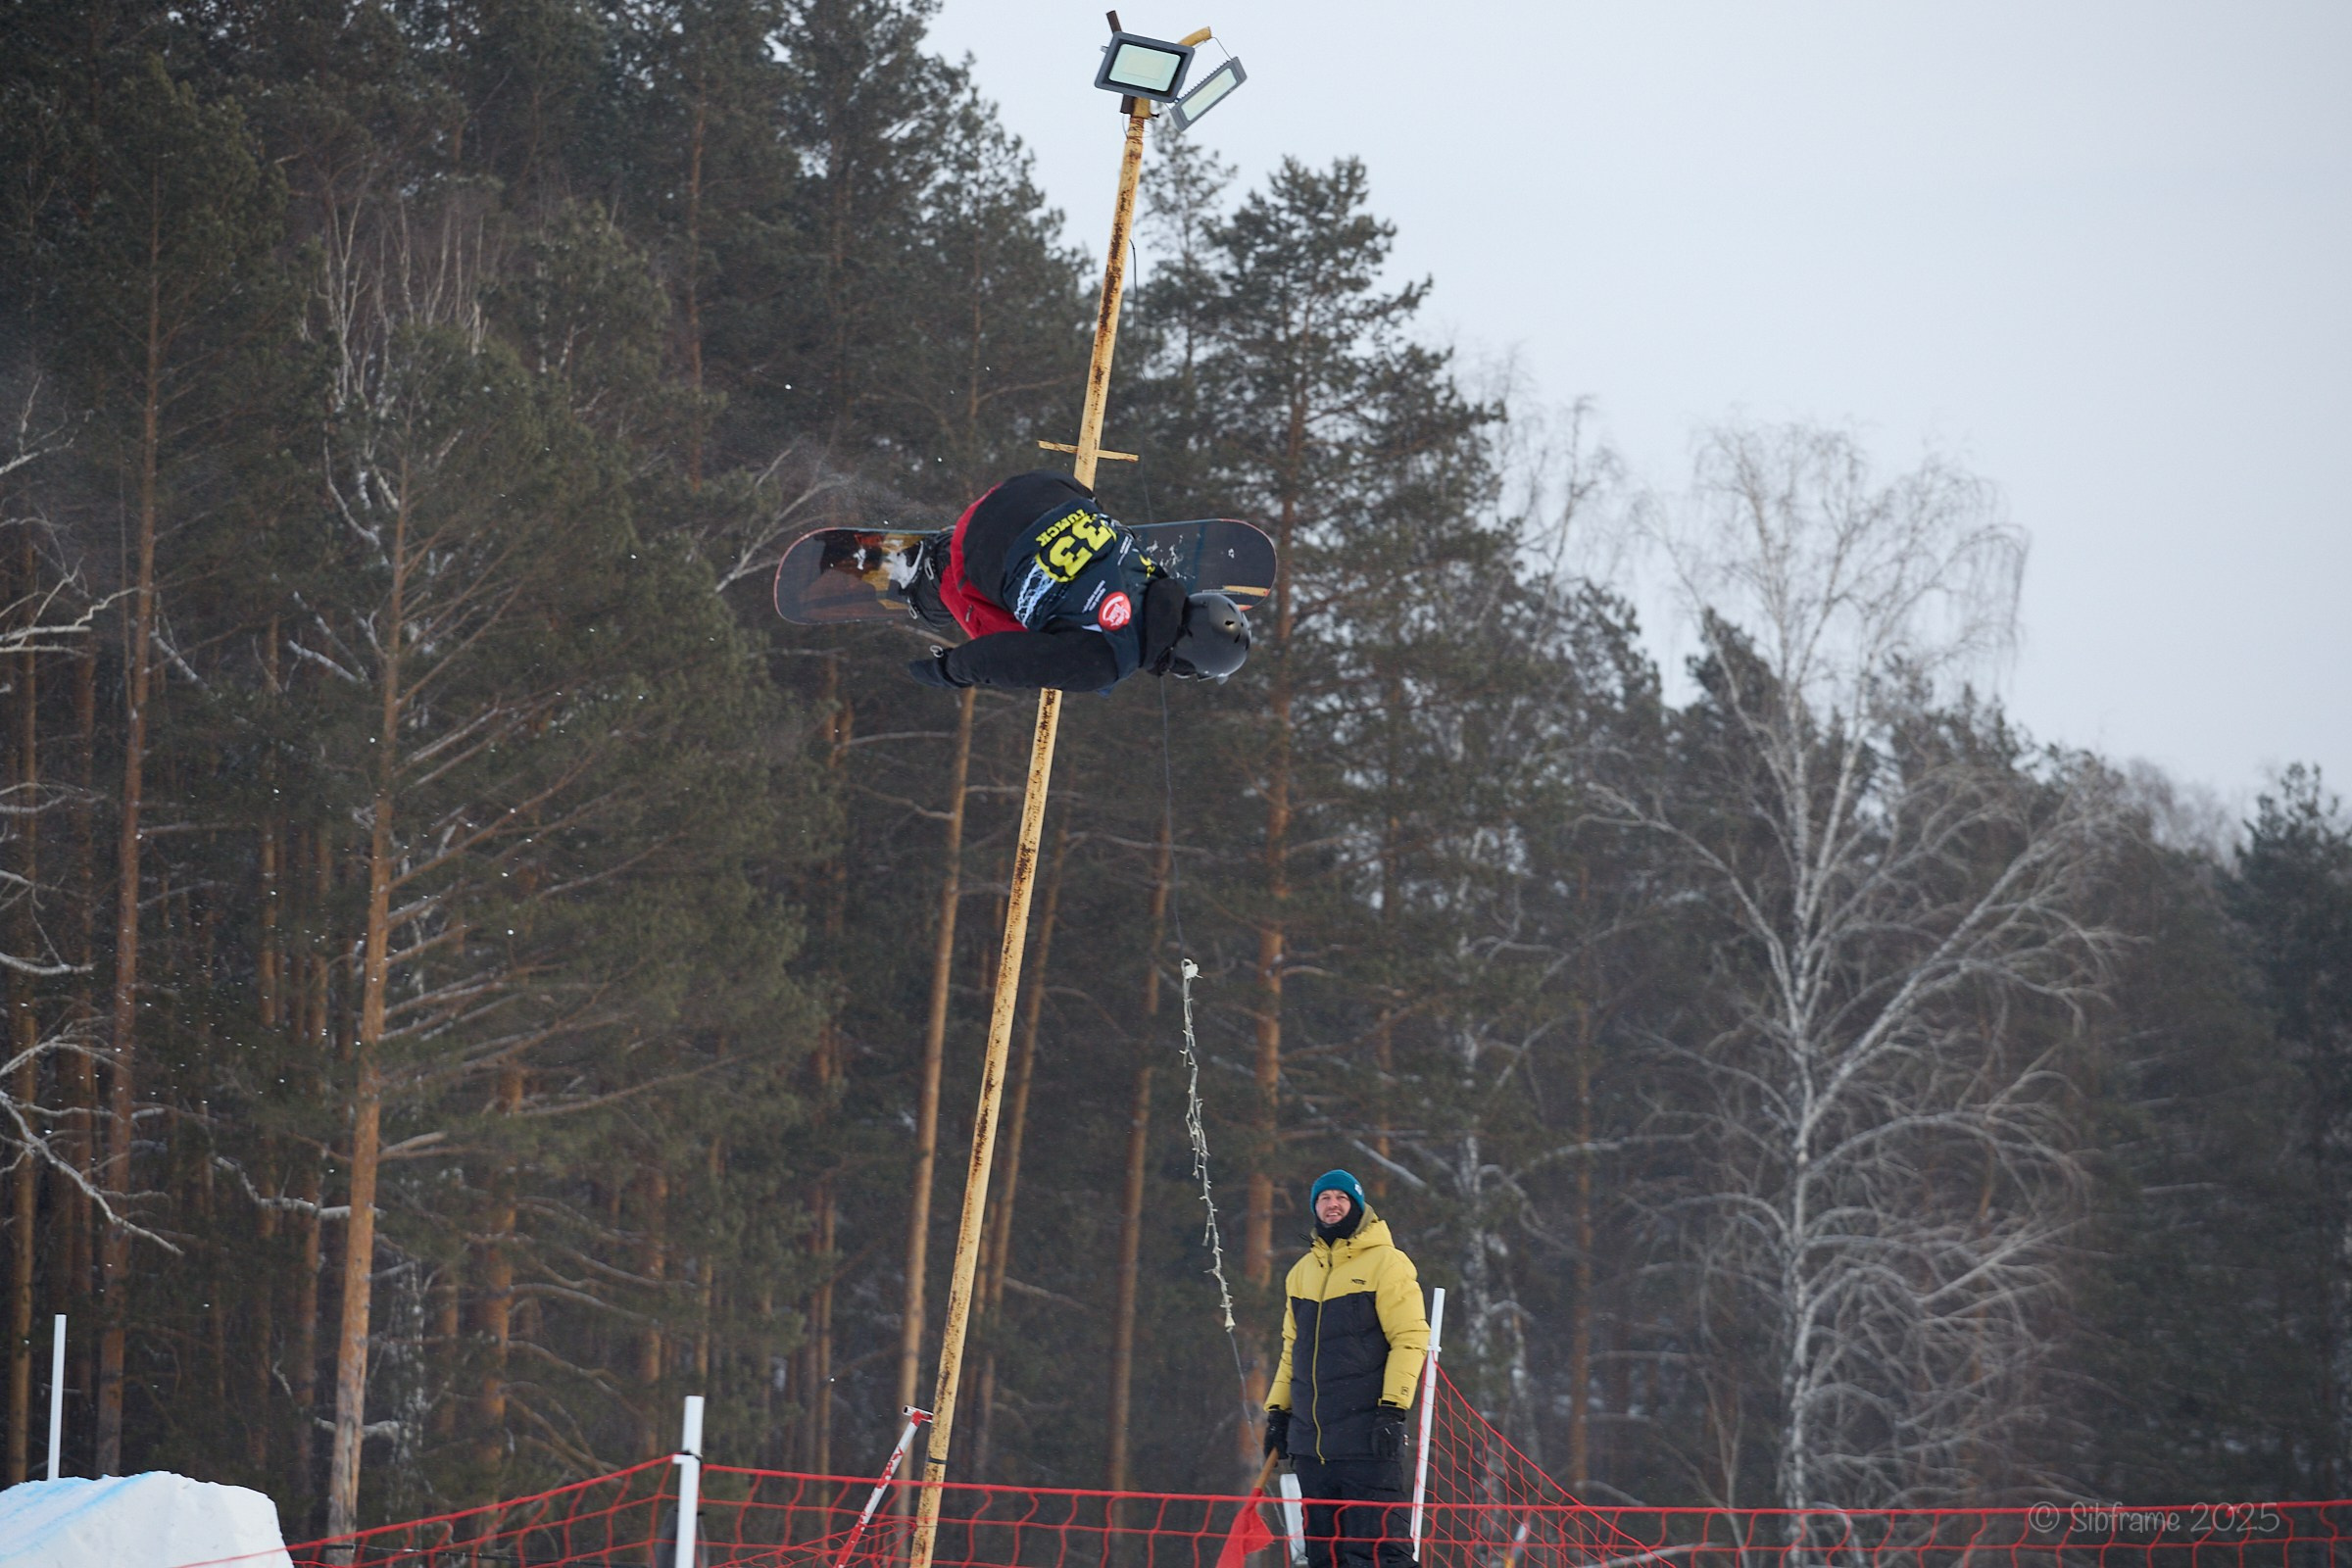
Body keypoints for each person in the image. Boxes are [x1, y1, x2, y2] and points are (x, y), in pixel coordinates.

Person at [896, 470, 1250, 691]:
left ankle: (974, 549)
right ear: (1183, 659)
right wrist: (945, 670)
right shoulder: (1107, 660)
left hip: (1039, 486)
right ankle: (935, 573)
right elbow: (1006, 661)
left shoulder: (1152, 574)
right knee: (1016, 636)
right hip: (976, 541)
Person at [1263, 1169, 1430, 1568]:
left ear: (1357, 1206)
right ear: (1315, 1207)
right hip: (1312, 1447)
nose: (1332, 1204)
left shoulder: (1388, 1263)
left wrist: (1393, 1409)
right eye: (1324, 1198)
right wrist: (1277, 1413)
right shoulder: (1301, 1273)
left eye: (1341, 1197)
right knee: (1323, 1556)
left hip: (1366, 1440)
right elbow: (1292, 1351)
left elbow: (1409, 1338)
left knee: (1377, 1554)